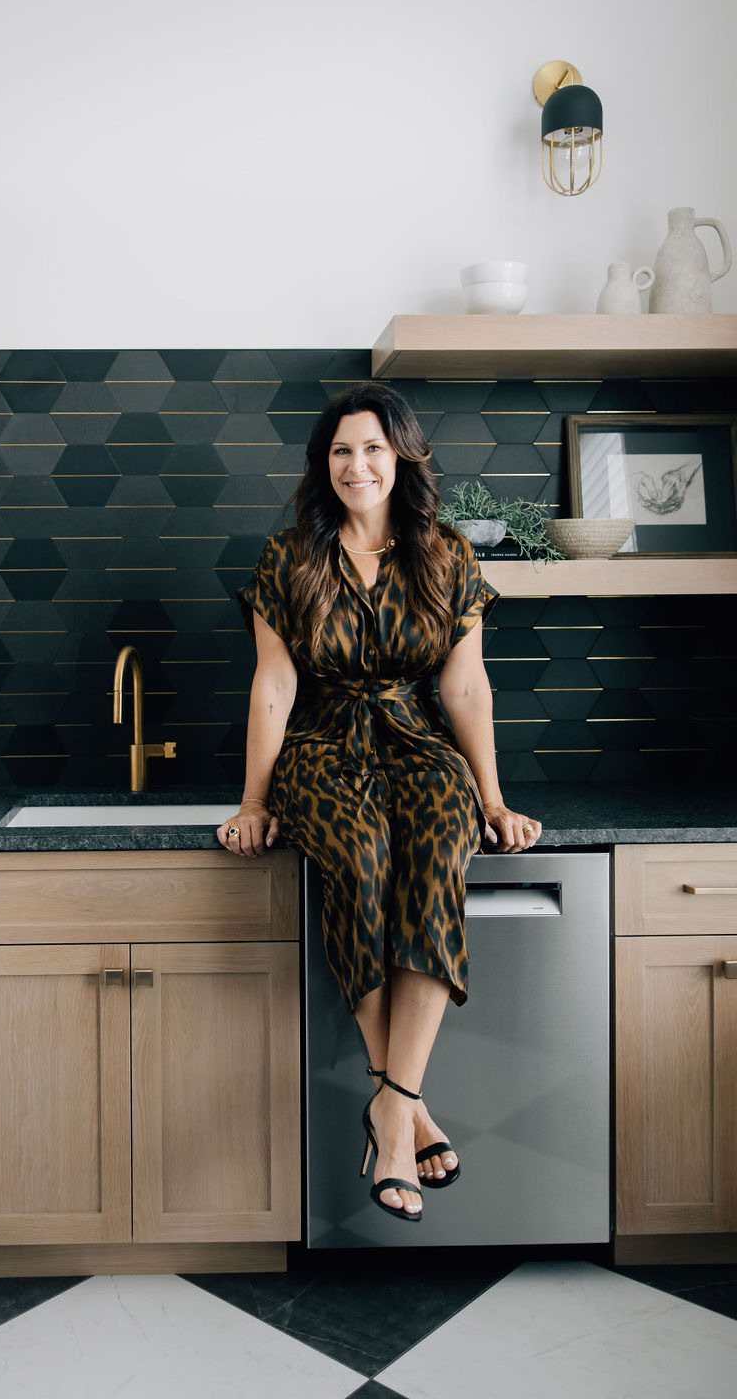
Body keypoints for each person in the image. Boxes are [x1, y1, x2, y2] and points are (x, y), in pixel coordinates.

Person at [216, 381, 542, 1223]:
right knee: (361, 860)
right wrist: (253, 800)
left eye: (371, 449)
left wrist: (494, 800)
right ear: (322, 465)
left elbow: (465, 687)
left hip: (419, 745)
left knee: (436, 860)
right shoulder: (290, 557)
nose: (355, 465)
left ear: (402, 458)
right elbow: (274, 684)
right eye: (340, 451)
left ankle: (391, 1108)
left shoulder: (448, 556)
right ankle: (406, 1110)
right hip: (320, 748)